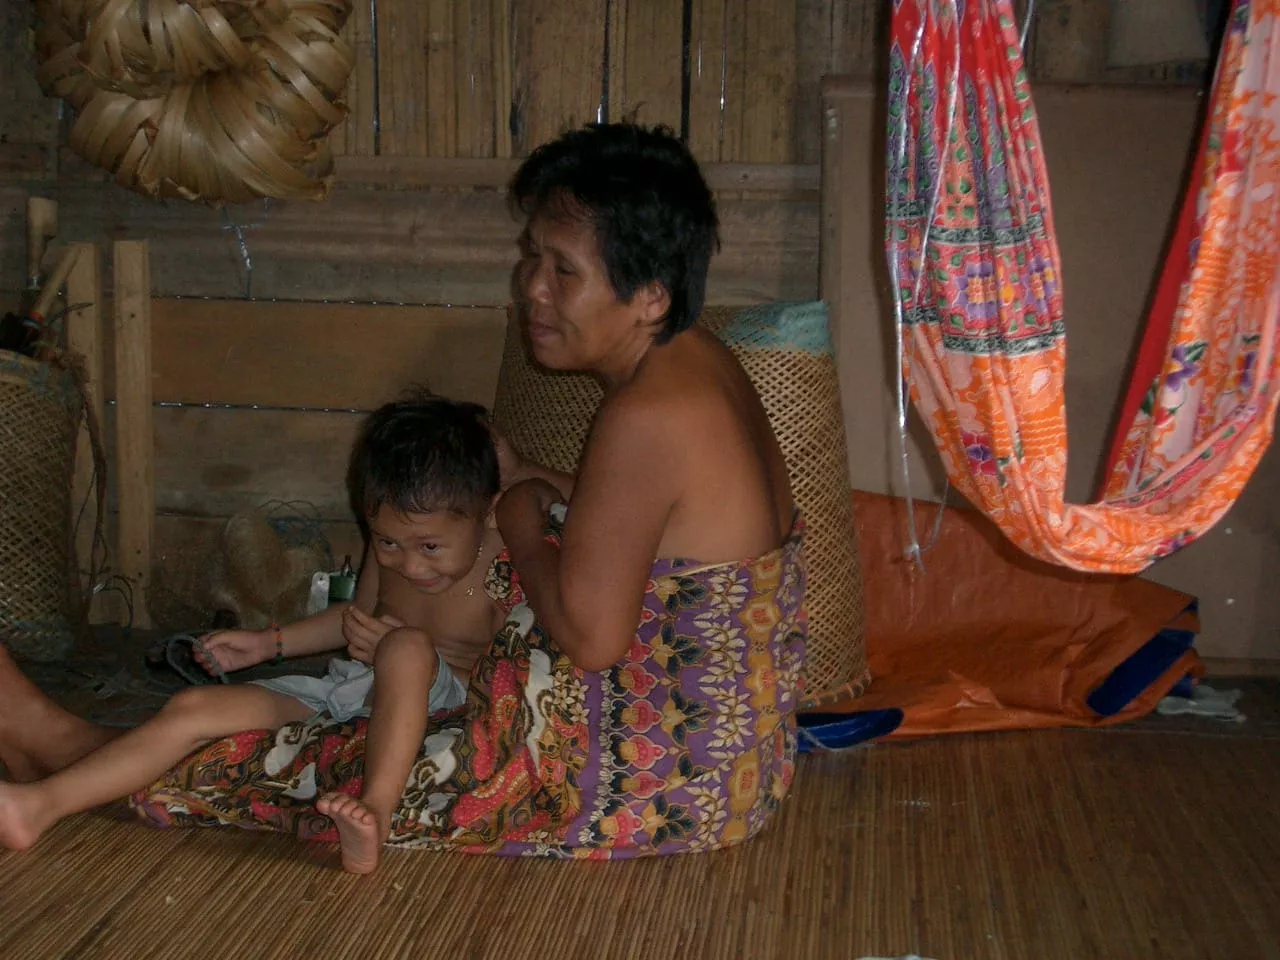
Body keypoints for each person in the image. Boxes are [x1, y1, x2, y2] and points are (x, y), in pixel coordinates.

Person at [1, 123, 807, 859]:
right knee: (388, 675)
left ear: (651, 294)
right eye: (533, 257)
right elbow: (661, 527)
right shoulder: (701, 363)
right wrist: (534, 479)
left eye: (565, 271)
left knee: (328, 759)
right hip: (734, 767)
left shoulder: (647, 414)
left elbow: (592, 643)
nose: (532, 288)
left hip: (645, 784)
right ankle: (79, 753)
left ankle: (68, 754)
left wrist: (523, 516)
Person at [0, 395, 511, 873]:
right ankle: (39, 805)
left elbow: (520, 666)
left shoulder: (503, 562)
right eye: (389, 542)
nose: (409, 564)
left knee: (405, 645)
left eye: (430, 547)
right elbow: (352, 617)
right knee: (195, 708)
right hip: (353, 692)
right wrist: (270, 643)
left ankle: (373, 810)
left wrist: (398, 654)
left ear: (487, 511)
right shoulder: (391, 553)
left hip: (446, 701)